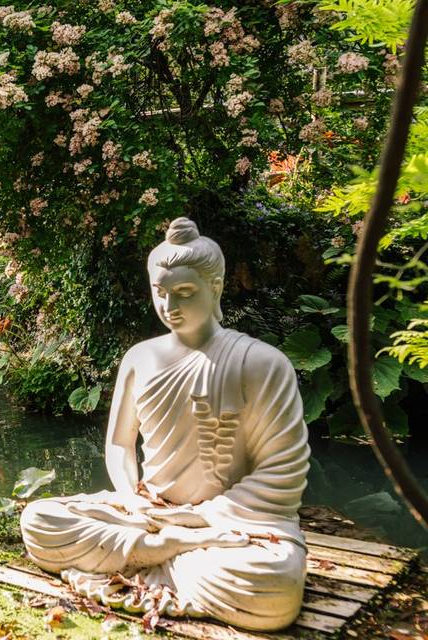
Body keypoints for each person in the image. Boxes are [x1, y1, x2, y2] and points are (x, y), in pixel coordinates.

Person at [20, 217, 311, 631]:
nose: (169, 307)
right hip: (149, 512)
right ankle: (165, 550)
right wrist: (133, 499)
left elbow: (284, 471)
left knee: (274, 584)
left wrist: (204, 517)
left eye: (184, 293)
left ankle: (155, 553)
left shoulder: (261, 363)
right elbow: (120, 445)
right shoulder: (140, 358)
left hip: (230, 522)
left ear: (216, 287)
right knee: (39, 520)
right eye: (160, 293)